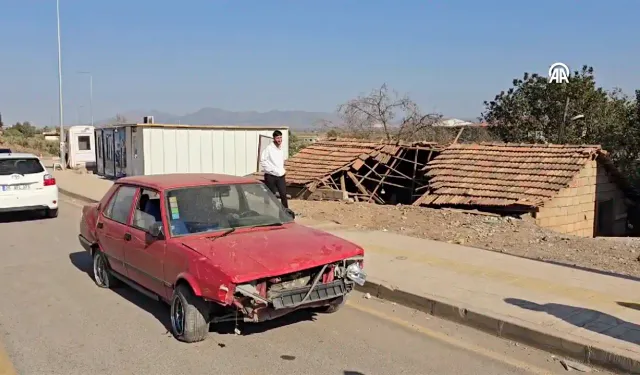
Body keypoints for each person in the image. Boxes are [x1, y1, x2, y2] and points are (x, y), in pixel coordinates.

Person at [260, 130, 288, 208]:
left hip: (280, 175)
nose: (279, 140)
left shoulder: (282, 148)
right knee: (270, 194)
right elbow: (262, 160)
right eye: (277, 138)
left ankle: (285, 212)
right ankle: (267, 210)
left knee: (283, 194)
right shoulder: (269, 148)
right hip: (271, 175)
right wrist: (271, 170)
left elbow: (282, 160)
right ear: (274, 138)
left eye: (280, 138)